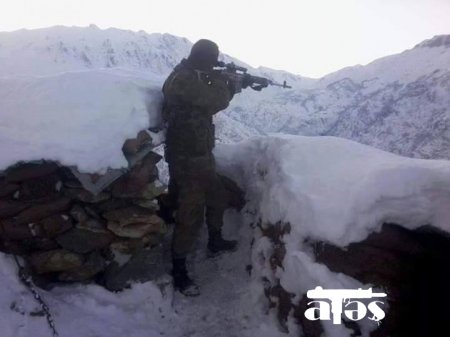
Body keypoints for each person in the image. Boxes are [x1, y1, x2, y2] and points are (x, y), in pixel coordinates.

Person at [162, 39, 241, 296]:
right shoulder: (183, 79)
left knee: (217, 195)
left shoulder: (190, 74)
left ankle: (215, 241)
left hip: (199, 154)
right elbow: (215, 100)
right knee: (190, 212)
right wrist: (229, 83)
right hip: (187, 157)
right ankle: (180, 269)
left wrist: (220, 78)